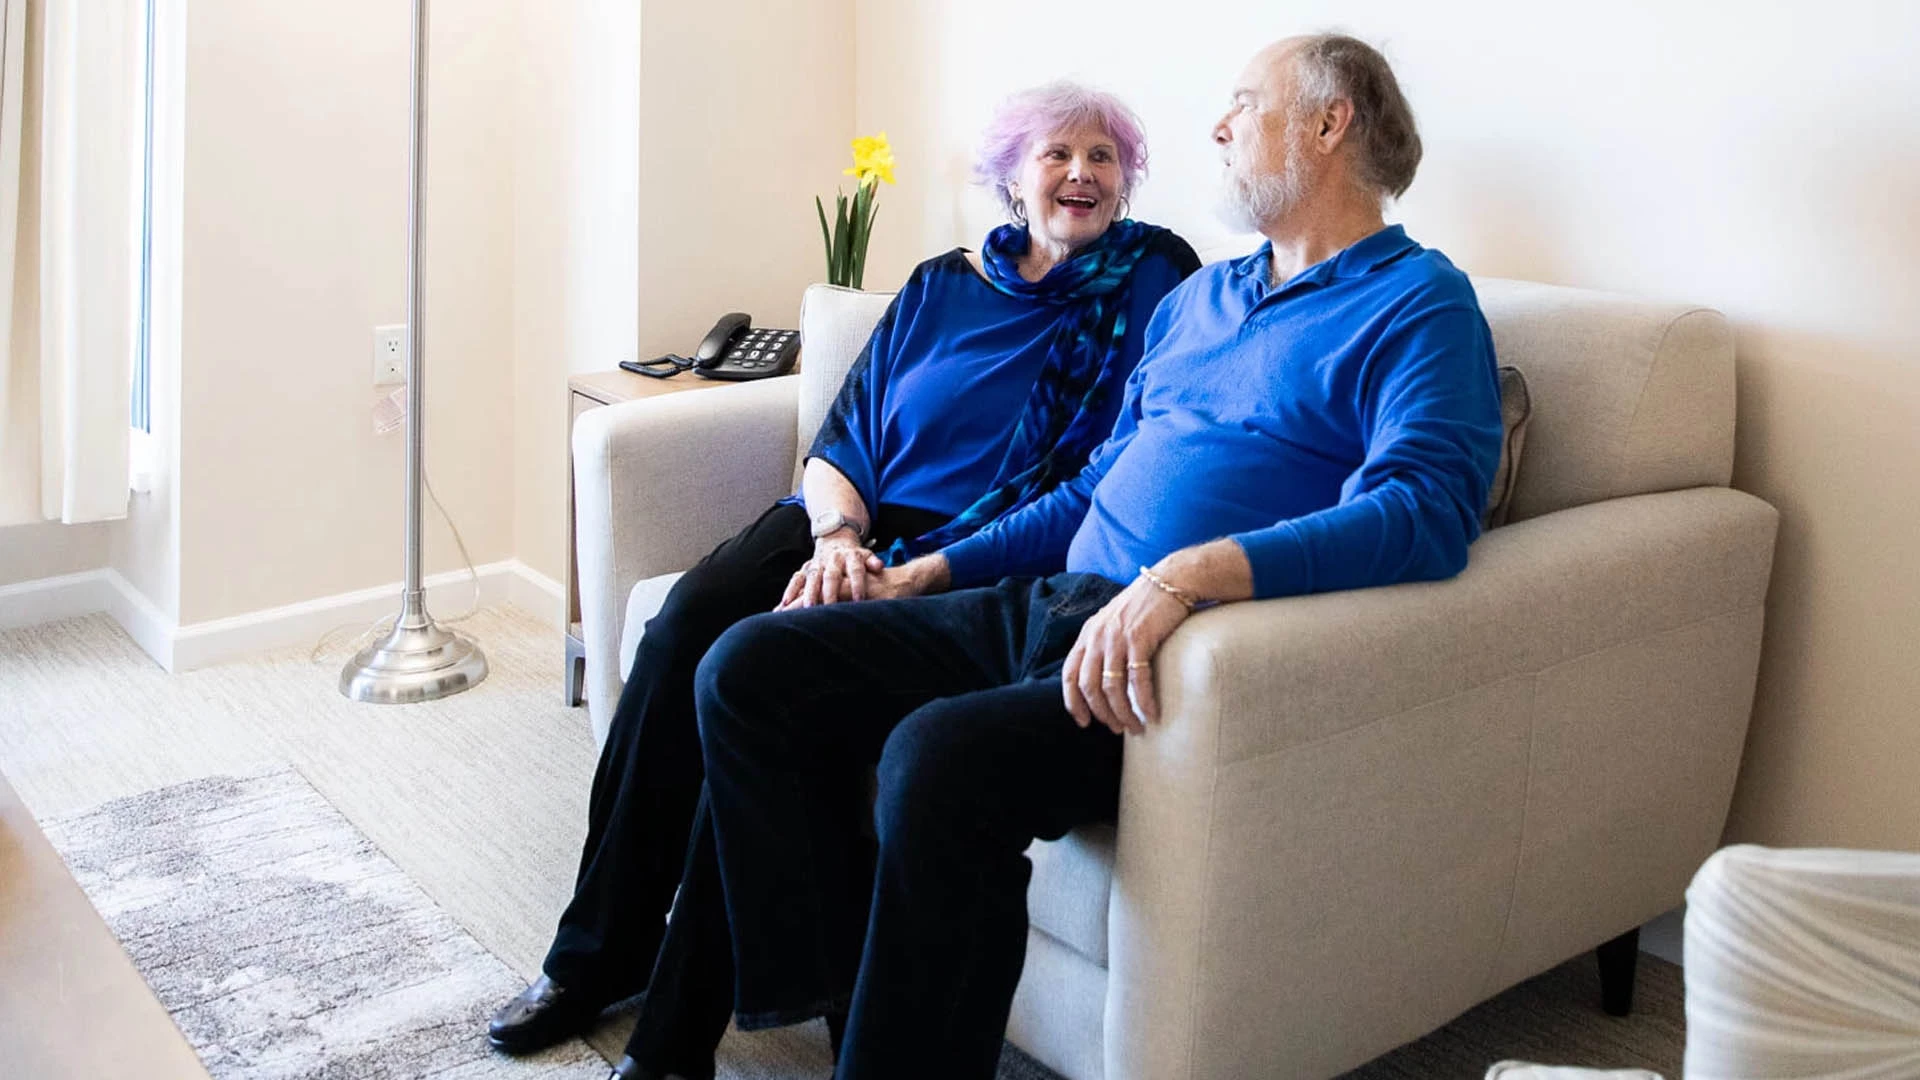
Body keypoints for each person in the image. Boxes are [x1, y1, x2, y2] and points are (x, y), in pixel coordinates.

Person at [680, 33, 1506, 1080]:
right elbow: (1090, 489)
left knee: (932, 758)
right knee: (750, 667)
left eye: (1243, 102)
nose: (1217, 125)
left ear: (1329, 124)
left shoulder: (1419, 304)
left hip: (1156, 659)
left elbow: (1429, 510)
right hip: (1047, 601)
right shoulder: (1202, 299)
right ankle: (828, 989)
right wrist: (935, 569)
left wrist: (1189, 575)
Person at [487, 81, 1200, 1063]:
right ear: (1011, 178)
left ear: (1128, 179)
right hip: (841, 518)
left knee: (749, 678)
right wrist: (836, 537)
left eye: (1103, 157)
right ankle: (597, 952)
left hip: (953, 545)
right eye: (1057, 154)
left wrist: (906, 567)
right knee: (682, 628)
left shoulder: (1151, 277)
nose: (1082, 173)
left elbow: (1097, 470)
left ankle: (703, 1017)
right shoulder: (943, 283)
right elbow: (846, 429)